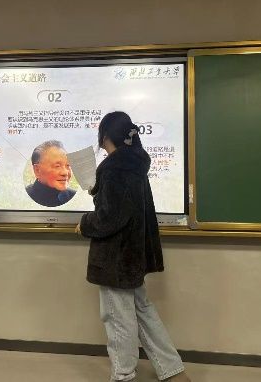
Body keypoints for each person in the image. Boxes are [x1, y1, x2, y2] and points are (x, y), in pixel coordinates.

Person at [76, 111, 191, 382]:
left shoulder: (114, 168)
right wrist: (97, 191)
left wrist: (85, 223)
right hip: (133, 254)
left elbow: (110, 217)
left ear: (105, 136)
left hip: (115, 257)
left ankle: (123, 375)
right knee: (143, 310)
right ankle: (172, 370)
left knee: (117, 317)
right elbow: (125, 208)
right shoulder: (135, 164)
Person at [26, 140, 76, 207]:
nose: (65, 173)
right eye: (57, 166)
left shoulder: (73, 196)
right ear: (37, 170)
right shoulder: (25, 197)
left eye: (68, 165)